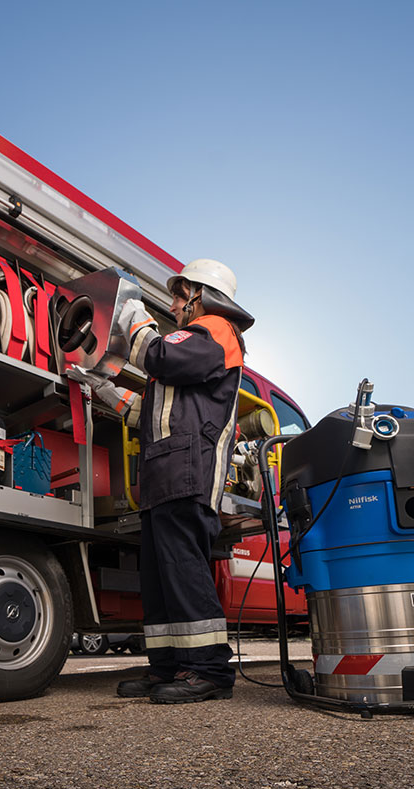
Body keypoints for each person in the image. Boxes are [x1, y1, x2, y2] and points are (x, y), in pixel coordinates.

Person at [67, 259, 254, 704]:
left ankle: (209, 671)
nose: (172, 306)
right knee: (159, 578)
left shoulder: (216, 331)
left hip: (188, 472)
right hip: (165, 475)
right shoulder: (189, 355)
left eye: (177, 296)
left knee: (183, 571)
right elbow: (146, 412)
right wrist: (102, 388)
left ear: (199, 295)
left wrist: (134, 316)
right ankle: (168, 667)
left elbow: (162, 356)